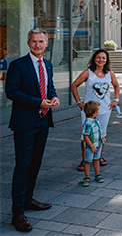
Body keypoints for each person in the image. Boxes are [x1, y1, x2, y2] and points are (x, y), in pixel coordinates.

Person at [5, 28, 60, 232]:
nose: (37, 45)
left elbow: (49, 87)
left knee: (35, 164)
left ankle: (28, 200)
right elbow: (11, 92)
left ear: (47, 44)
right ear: (28, 43)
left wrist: (53, 98)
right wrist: (39, 103)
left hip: (43, 123)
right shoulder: (18, 65)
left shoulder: (48, 65)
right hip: (24, 124)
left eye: (41, 41)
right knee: (23, 166)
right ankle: (17, 213)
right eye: (34, 41)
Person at [71, 49, 120, 171]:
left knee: (101, 134)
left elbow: (116, 85)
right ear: (94, 58)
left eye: (103, 58)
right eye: (98, 57)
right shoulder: (88, 73)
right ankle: (85, 159)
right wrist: (79, 102)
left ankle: (98, 157)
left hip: (104, 110)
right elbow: (74, 86)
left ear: (107, 60)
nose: (101, 60)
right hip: (87, 112)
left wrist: (116, 100)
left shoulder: (110, 74)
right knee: (86, 135)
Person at [82, 101, 106, 187]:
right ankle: (87, 176)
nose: (99, 112)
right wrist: (92, 146)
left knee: (97, 159)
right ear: (94, 113)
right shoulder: (87, 124)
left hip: (98, 144)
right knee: (88, 161)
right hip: (91, 147)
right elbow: (86, 137)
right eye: (98, 110)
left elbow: (99, 130)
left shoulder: (95, 120)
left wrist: (102, 136)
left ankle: (97, 174)